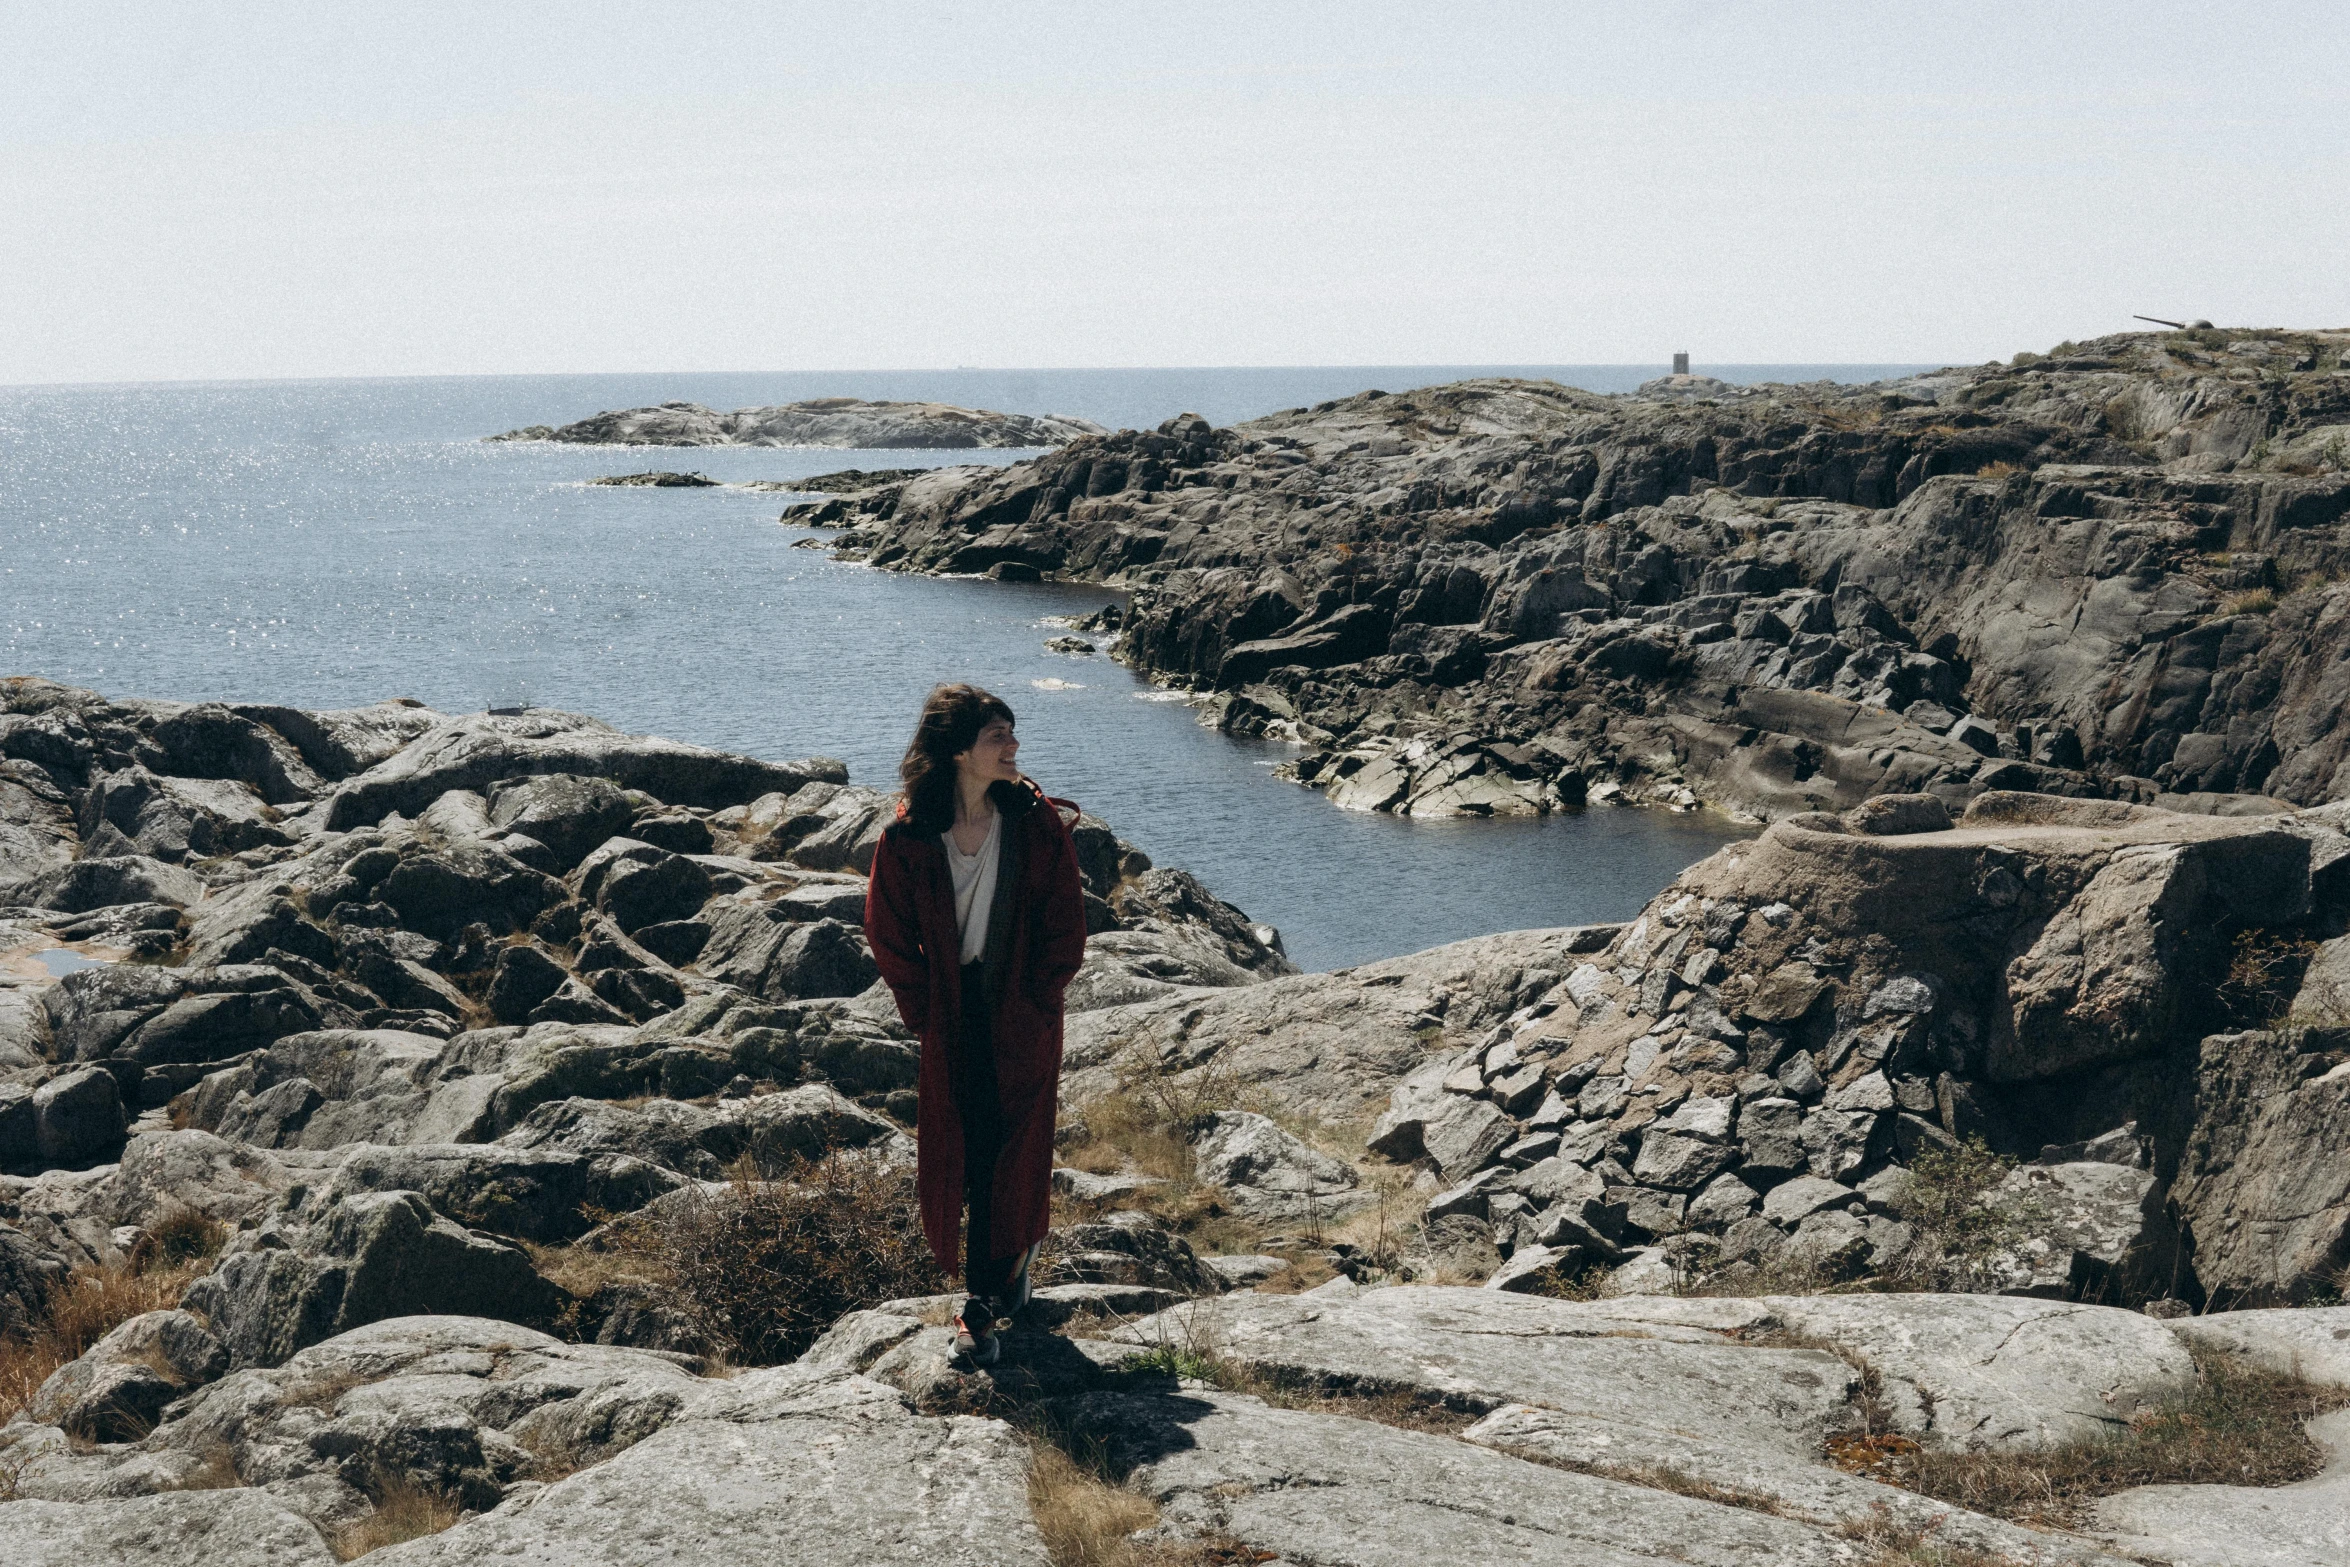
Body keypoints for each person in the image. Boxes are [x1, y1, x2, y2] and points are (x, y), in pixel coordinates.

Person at [864, 684, 1087, 1366]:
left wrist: (1042, 997)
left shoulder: (1032, 822)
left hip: (1020, 1006)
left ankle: (981, 1304)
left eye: (1011, 735)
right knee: (961, 1146)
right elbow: (887, 932)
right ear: (960, 750)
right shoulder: (907, 837)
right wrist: (925, 1009)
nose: (1013, 746)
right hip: (953, 1011)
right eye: (998, 736)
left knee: (1010, 1144)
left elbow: (1065, 923)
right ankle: (1003, 1272)